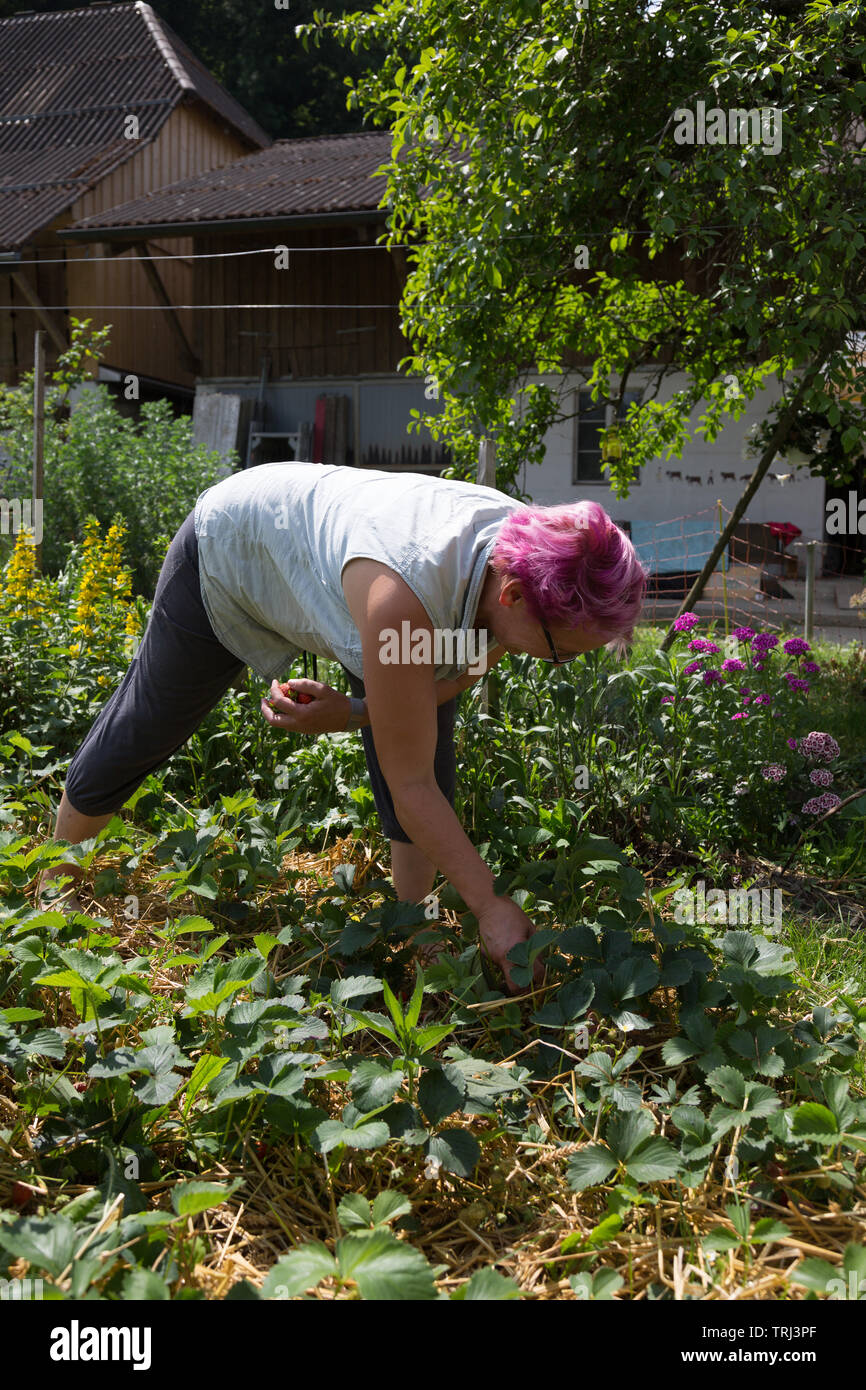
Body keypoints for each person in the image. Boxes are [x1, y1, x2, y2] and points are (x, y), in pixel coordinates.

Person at [40, 462, 646, 993]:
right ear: (513, 597)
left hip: (351, 574)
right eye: (559, 651)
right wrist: (488, 903)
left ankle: (418, 925)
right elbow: (409, 783)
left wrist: (350, 714)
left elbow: (445, 687)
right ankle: (55, 883)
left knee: (424, 744)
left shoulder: (529, 555)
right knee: (154, 718)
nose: (556, 663)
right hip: (237, 549)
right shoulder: (409, 600)